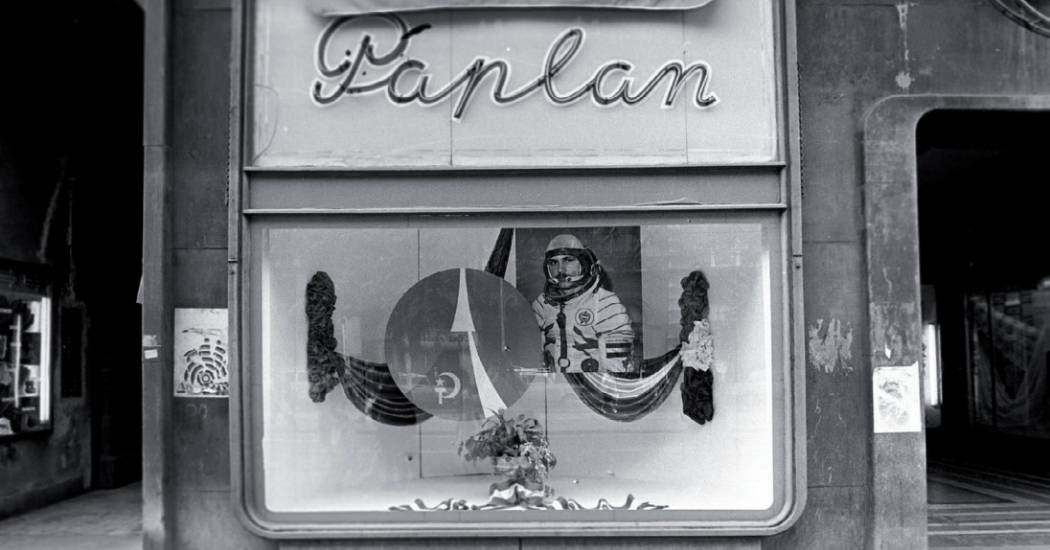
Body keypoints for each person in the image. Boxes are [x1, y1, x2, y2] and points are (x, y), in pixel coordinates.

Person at [531, 234, 635, 373]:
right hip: (551, 384)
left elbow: (618, 368)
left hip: (591, 384)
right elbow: (529, 355)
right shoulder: (542, 305)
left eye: (568, 260)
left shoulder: (605, 303)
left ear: (583, 264)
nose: (560, 270)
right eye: (553, 263)